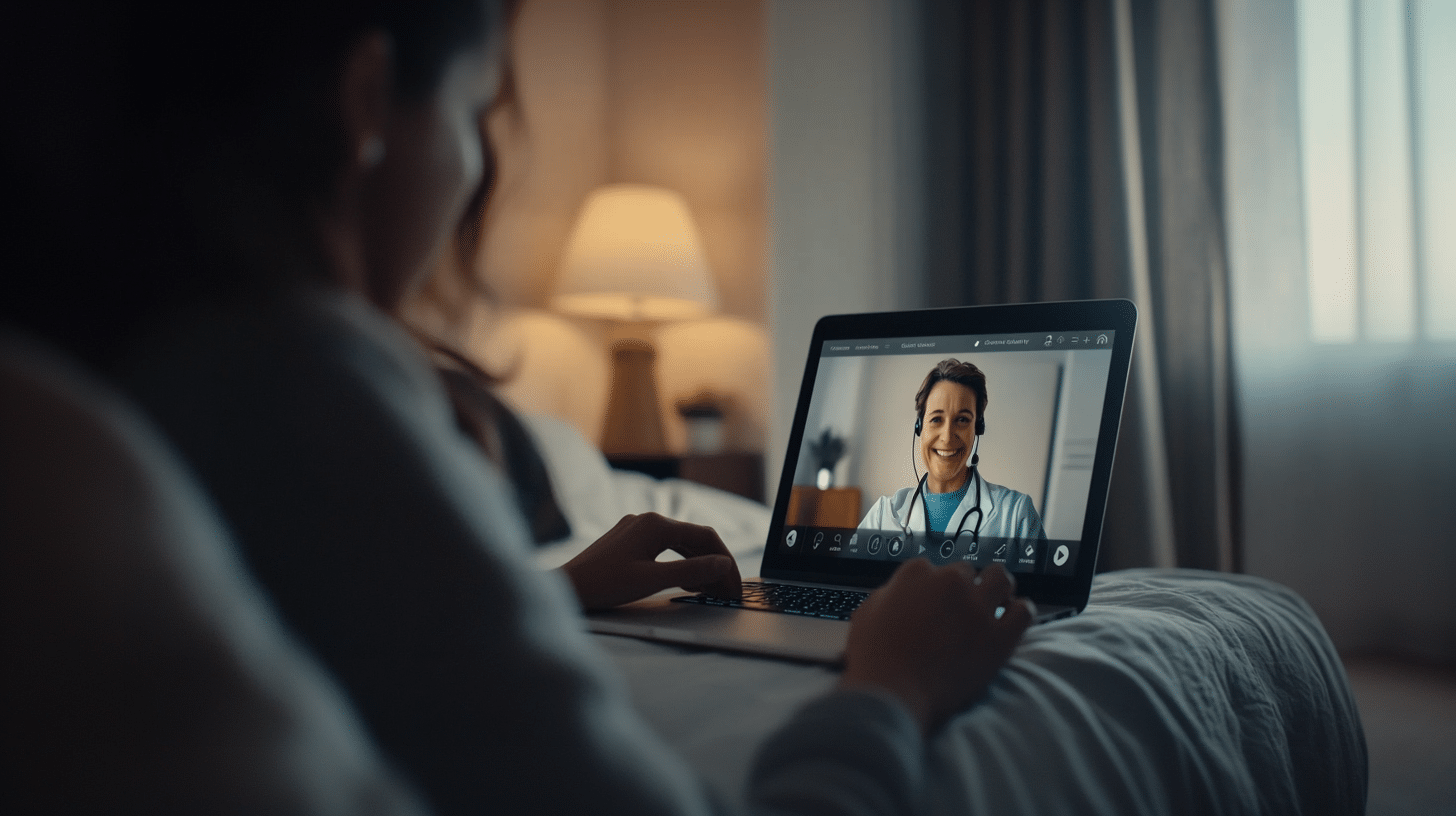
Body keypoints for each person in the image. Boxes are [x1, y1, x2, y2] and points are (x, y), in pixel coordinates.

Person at [2, 2, 1032, 814]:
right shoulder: (293, 385)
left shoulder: (104, 369)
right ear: (366, 99)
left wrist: (546, 592)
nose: (475, 168)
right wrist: (892, 683)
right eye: (474, 110)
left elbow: (316, 629)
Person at [859, 359, 1047, 555]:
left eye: (962, 420)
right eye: (936, 419)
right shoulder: (883, 515)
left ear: (978, 429)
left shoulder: (1016, 515)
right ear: (919, 427)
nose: (947, 437)